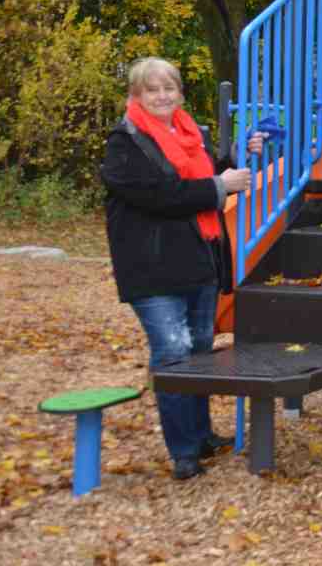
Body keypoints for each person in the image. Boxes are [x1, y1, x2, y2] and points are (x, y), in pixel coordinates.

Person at [100, 57, 265, 480]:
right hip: (152, 267)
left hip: (198, 258)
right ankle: (184, 451)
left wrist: (237, 157)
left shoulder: (190, 133)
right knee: (173, 354)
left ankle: (201, 434)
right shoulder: (125, 142)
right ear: (135, 96)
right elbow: (161, 195)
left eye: (168, 88)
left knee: (198, 354)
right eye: (152, 90)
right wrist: (219, 186)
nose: (162, 96)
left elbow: (207, 175)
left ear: (180, 93)